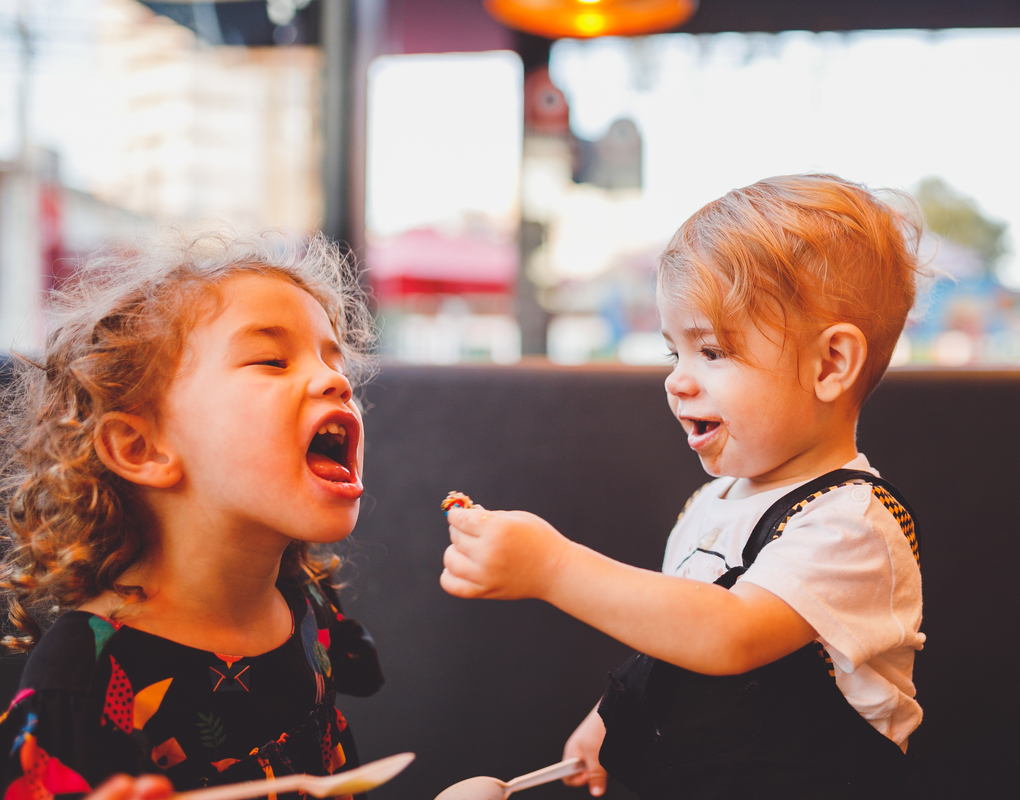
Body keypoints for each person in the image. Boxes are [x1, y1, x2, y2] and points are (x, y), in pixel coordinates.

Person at [441, 174, 926, 799]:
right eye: (675, 354)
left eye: (713, 352)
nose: (678, 382)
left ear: (830, 364)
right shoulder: (711, 505)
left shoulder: (851, 523)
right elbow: (676, 637)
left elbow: (730, 633)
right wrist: (608, 721)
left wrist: (552, 566)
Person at [0, 231, 384, 798]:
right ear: (141, 449)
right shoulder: (82, 679)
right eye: (272, 360)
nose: (337, 380)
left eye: (334, 358)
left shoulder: (305, 596)